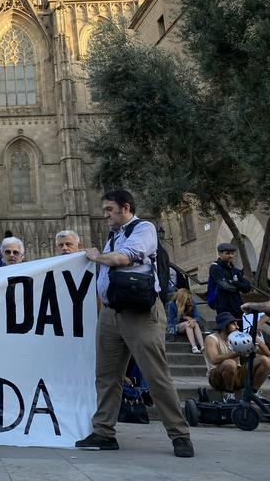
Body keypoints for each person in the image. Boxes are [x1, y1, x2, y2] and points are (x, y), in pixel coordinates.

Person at [78, 189, 193, 458]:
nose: (104, 214)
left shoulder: (143, 229)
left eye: (109, 209)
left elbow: (126, 258)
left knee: (156, 375)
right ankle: (104, 431)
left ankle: (180, 434)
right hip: (110, 313)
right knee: (107, 376)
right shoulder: (113, 235)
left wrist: (97, 257)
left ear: (125, 207)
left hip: (140, 314)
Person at [204, 312, 270, 401]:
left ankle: (253, 393)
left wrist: (256, 339)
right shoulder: (211, 338)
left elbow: (267, 353)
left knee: (265, 361)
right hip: (217, 378)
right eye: (233, 324)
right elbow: (214, 359)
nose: (237, 326)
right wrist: (238, 352)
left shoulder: (239, 338)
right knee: (230, 363)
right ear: (224, 326)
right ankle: (228, 395)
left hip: (237, 376)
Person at [207, 243, 251, 326]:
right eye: (227, 253)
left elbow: (247, 288)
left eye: (232, 253)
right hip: (223, 306)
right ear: (220, 254)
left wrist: (234, 282)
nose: (231, 256)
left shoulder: (234, 270)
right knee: (228, 331)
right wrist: (238, 285)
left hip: (237, 305)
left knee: (241, 330)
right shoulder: (215, 267)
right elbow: (226, 287)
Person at [168, 288, 204, 354]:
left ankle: (202, 347)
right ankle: (194, 347)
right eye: (188, 299)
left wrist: (193, 320)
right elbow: (171, 321)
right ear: (182, 299)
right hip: (174, 326)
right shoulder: (172, 304)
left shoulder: (191, 302)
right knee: (188, 323)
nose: (190, 300)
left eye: (190, 298)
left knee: (194, 323)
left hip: (188, 325)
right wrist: (184, 317)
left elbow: (197, 316)